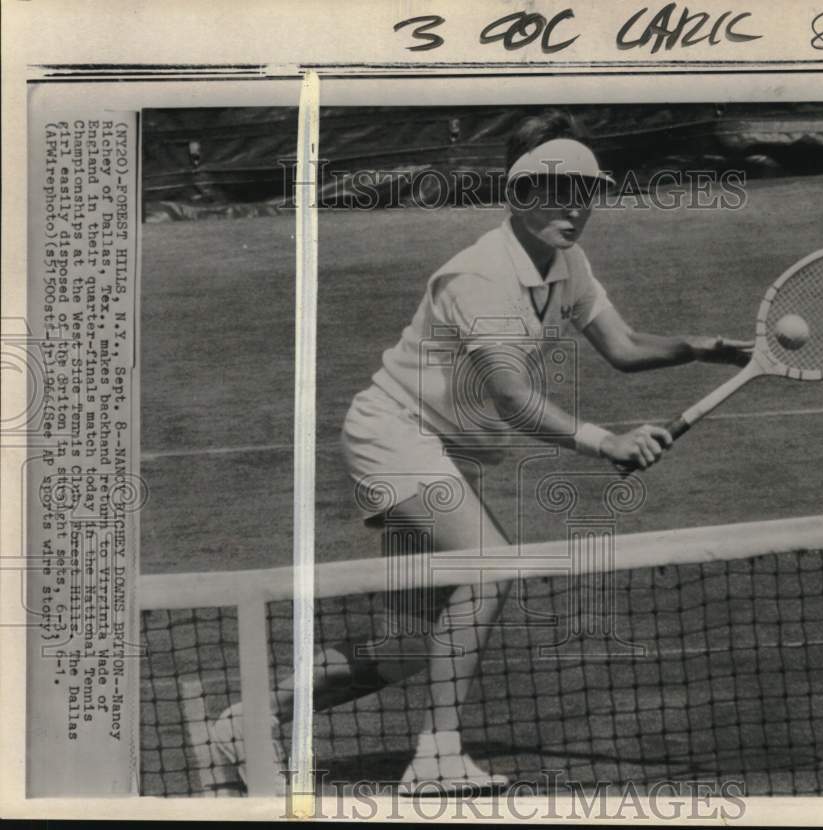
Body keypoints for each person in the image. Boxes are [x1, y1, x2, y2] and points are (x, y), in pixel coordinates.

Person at [209, 109, 751, 795]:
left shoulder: (568, 263)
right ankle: (436, 754)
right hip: (396, 438)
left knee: (406, 647)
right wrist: (605, 440)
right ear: (518, 193)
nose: (575, 208)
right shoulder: (480, 279)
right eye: (555, 190)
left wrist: (697, 347)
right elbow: (515, 399)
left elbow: (624, 346)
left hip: (443, 452)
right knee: (492, 568)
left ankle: (247, 720)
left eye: (585, 191)